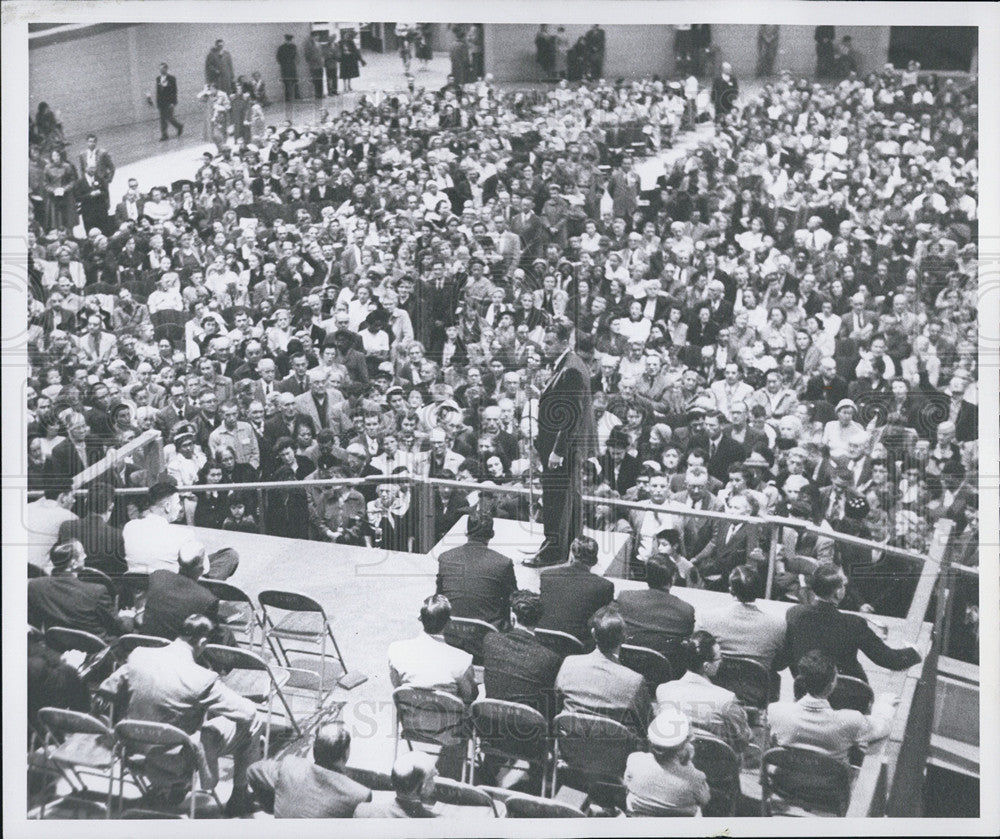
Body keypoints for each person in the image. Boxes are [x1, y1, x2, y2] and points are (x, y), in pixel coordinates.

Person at [99, 614, 261, 816]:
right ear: (202, 641)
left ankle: (171, 787)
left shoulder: (139, 655)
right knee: (254, 723)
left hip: (132, 750)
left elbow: (106, 689)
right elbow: (247, 713)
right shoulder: (202, 678)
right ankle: (239, 795)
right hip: (175, 759)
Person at [524, 321, 597, 568]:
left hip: (562, 449)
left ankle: (553, 552)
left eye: (549, 342)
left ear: (564, 343)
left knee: (556, 501)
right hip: (563, 447)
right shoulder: (569, 365)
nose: (544, 346)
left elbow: (571, 416)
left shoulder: (571, 369)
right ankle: (567, 548)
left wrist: (557, 451)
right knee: (567, 500)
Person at [785, 563, 922, 683]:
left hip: (805, 688)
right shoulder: (853, 624)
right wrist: (915, 652)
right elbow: (890, 659)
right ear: (838, 593)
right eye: (844, 584)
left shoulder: (793, 613)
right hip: (847, 694)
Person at [387, 595, 476, 779]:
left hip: (411, 724)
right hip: (450, 732)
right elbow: (470, 696)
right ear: (448, 623)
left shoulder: (396, 650)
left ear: (421, 619)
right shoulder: (462, 659)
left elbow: (397, 686)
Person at [768, 649, 898, 764]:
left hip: (789, 783)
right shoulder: (851, 720)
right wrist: (884, 705)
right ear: (831, 685)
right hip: (830, 788)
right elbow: (882, 727)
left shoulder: (775, 711)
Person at [555, 605, 652, 736]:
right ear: (624, 638)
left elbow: (556, 704)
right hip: (615, 754)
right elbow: (646, 726)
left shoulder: (569, 663)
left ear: (593, 634)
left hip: (570, 749)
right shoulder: (634, 681)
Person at [655, 630, 752, 757]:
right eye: (719, 657)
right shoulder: (726, 699)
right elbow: (742, 741)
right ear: (706, 666)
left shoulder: (663, 690)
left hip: (675, 759)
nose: (721, 661)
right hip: (714, 764)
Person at [247, 722, 372, 818]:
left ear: (314, 750)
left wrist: (270, 804)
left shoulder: (289, 767)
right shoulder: (359, 795)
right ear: (345, 754)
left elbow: (252, 771)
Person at [123, 480, 240, 579]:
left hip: (140, 584)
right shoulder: (183, 535)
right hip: (172, 588)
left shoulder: (129, 527)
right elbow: (204, 569)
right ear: (167, 506)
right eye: (178, 503)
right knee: (229, 555)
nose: (179, 508)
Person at [482, 589, 562, 719]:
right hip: (529, 732)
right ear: (539, 619)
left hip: (493, 725)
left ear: (512, 617)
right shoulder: (550, 658)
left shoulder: (490, 640)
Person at [28, 540, 129, 639]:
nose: (85, 556)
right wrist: (128, 616)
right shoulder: (97, 591)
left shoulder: (34, 586)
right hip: (96, 650)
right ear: (73, 563)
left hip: (56, 646)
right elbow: (119, 629)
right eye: (82, 553)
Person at [696, 564, 786, 672]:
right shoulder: (778, 625)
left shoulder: (707, 619)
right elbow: (779, 664)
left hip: (718, 685)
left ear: (730, 590)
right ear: (758, 590)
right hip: (759, 686)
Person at [435, 511, 517, 628]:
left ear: (466, 533)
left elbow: (439, 596)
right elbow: (513, 599)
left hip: (451, 629)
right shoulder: (503, 563)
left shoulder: (445, 558)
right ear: (492, 534)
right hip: (487, 633)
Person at [139, 541, 232, 644]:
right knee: (226, 634)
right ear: (202, 569)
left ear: (178, 561)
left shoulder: (157, 576)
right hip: (179, 650)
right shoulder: (208, 598)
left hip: (148, 643)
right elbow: (210, 636)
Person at [624, 708, 711, 817]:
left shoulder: (634, 760)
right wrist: (688, 763)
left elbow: (627, 785)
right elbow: (705, 800)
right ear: (684, 745)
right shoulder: (695, 778)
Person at [537, 535, 614, 644]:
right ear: (594, 560)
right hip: (577, 646)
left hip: (543, 639)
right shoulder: (604, 586)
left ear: (571, 555)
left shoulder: (547, 575)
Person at [615, 552, 695, 653]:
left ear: (646, 575)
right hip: (666, 667)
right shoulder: (686, 611)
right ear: (673, 577)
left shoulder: (624, 598)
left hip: (627, 662)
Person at [57, 480, 127, 578]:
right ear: (111, 506)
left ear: (86, 502)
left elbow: (60, 561)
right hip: (104, 587)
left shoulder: (66, 527)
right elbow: (120, 569)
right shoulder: (117, 535)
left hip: (72, 585)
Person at [353, 752, 439, 818]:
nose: (434, 781)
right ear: (424, 786)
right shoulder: (437, 823)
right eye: (432, 777)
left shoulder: (362, 812)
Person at [26, 472, 78, 570]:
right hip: (38, 573)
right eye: (72, 496)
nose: (74, 500)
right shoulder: (68, 516)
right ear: (63, 497)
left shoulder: (27, 507)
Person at [277, 34, 299, 101]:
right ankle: (288, 97)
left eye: (290, 40)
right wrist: (283, 63)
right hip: (286, 66)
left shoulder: (293, 47)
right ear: (285, 40)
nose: (289, 42)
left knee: (293, 81)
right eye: (288, 40)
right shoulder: (282, 47)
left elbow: (295, 56)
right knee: (287, 82)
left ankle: (295, 96)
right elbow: (278, 57)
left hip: (291, 66)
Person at [303, 31, 325, 100]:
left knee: (320, 79)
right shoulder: (309, 45)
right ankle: (317, 94)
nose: (317, 37)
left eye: (318, 36)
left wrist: (322, 60)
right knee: (315, 80)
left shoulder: (319, 44)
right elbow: (307, 56)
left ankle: (320, 94)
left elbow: (321, 54)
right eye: (315, 36)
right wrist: (314, 60)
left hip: (320, 65)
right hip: (314, 65)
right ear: (312, 37)